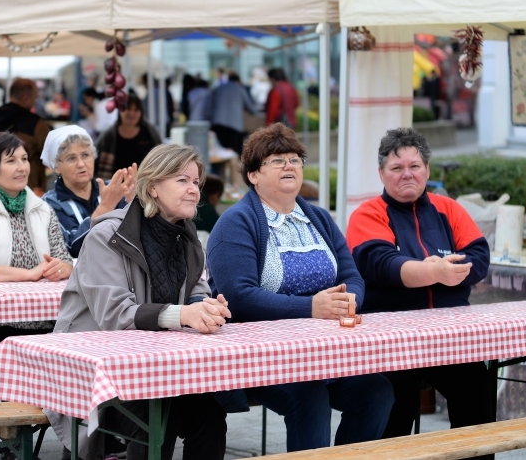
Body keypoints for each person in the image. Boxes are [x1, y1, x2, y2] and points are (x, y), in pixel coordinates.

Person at [207, 123, 393, 452]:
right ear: (253, 175)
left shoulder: (319, 218)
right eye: (277, 161)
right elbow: (238, 296)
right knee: (310, 397)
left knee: (377, 392)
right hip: (263, 355)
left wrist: (349, 300)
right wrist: (310, 308)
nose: (289, 165)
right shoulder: (235, 223)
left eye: (295, 159)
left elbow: (352, 276)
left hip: (325, 352)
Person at [46, 144, 229, 460]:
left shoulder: (187, 237)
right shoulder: (107, 236)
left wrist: (206, 307)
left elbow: (197, 289)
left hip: (154, 368)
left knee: (210, 416)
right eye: (182, 181)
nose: (193, 191)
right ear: (153, 186)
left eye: (195, 183)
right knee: (159, 418)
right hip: (95, 370)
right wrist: (185, 313)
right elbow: (116, 314)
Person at [346, 127, 493, 454]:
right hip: (390, 338)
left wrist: (433, 270)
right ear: (381, 174)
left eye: (414, 166)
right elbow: (383, 265)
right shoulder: (367, 213)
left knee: (478, 389)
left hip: (450, 335)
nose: (406, 174)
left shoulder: (449, 208)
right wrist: (437, 270)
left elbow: (479, 257)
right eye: (396, 168)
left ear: (427, 169)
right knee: (395, 406)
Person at [0, 133, 73, 355]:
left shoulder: (43, 209)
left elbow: (63, 259)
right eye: (11, 161)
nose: (22, 167)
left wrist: (64, 267)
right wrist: (28, 274)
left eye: (24, 159)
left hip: (45, 318)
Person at [41, 125, 135, 257]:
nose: (81, 164)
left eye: (85, 155)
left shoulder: (111, 189)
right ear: (56, 167)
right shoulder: (49, 203)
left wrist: (135, 203)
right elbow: (72, 247)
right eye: (71, 158)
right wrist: (105, 207)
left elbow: (135, 236)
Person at [0, 78, 52, 196]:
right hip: (26, 191)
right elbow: (51, 154)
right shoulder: (36, 124)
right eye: (34, 98)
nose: (35, 102)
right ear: (25, 98)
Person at [95, 93, 162, 180]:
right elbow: (95, 161)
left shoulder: (150, 133)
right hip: (115, 187)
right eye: (128, 108)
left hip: (146, 185)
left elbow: (161, 157)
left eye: (136, 109)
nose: (132, 113)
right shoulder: (108, 136)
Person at [206, 71, 259, 155]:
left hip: (218, 125)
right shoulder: (240, 89)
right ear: (238, 81)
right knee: (234, 155)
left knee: (220, 154)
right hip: (235, 127)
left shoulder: (218, 88)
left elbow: (209, 107)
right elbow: (251, 108)